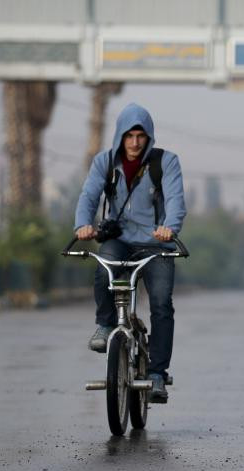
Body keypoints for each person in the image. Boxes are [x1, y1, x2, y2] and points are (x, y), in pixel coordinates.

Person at [74, 103, 186, 403]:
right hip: (120, 239)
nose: (135, 142)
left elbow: (175, 200)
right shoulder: (105, 162)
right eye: (129, 136)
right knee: (104, 266)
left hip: (156, 243)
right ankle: (106, 325)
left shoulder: (166, 162)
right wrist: (83, 224)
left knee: (161, 304)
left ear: (148, 136)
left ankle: (157, 374)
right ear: (120, 137)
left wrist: (169, 227)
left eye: (140, 136)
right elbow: (89, 195)